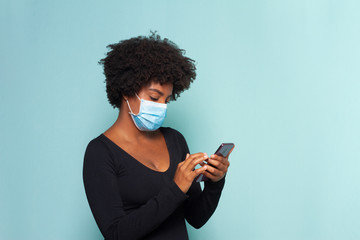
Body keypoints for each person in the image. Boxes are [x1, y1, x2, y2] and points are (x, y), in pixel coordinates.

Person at [82, 33, 231, 240]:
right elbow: (116, 234)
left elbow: (196, 218)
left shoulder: (175, 140)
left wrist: (215, 182)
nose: (161, 107)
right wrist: (175, 188)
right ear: (126, 90)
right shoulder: (100, 153)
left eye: (167, 100)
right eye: (154, 97)